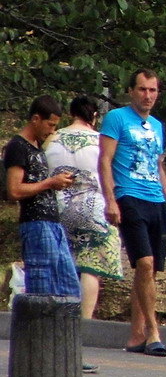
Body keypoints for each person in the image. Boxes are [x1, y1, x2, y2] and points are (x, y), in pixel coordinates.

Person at [99, 69, 166, 357]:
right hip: (129, 196)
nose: (148, 96)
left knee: (149, 271)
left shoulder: (156, 125)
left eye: (153, 90)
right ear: (131, 91)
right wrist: (111, 200)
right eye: (142, 89)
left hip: (155, 200)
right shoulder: (117, 118)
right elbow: (104, 160)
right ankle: (154, 332)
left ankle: (135, 336)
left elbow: (158, 164)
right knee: (143, 263)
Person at [44, 95, 124, 322]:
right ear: (95, 116)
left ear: (71, 114)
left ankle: (59, 319)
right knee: (91, 265)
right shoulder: (100, 140)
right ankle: (85, 321)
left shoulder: (53, 138)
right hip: (94, 208)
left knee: (62, 262)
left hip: (57, 206)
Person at [3, 96, 79, 300]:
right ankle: (38, 331)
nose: (52, 131)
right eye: (50, 125)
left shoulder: (37, 147)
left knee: (68, 287)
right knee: (43, 289)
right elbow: (14, 190)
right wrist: (49, 183)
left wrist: (57, 183)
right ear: (36, 119)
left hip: (53, 223)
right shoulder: (18, 146)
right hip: (35, 224)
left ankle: (63, 330)